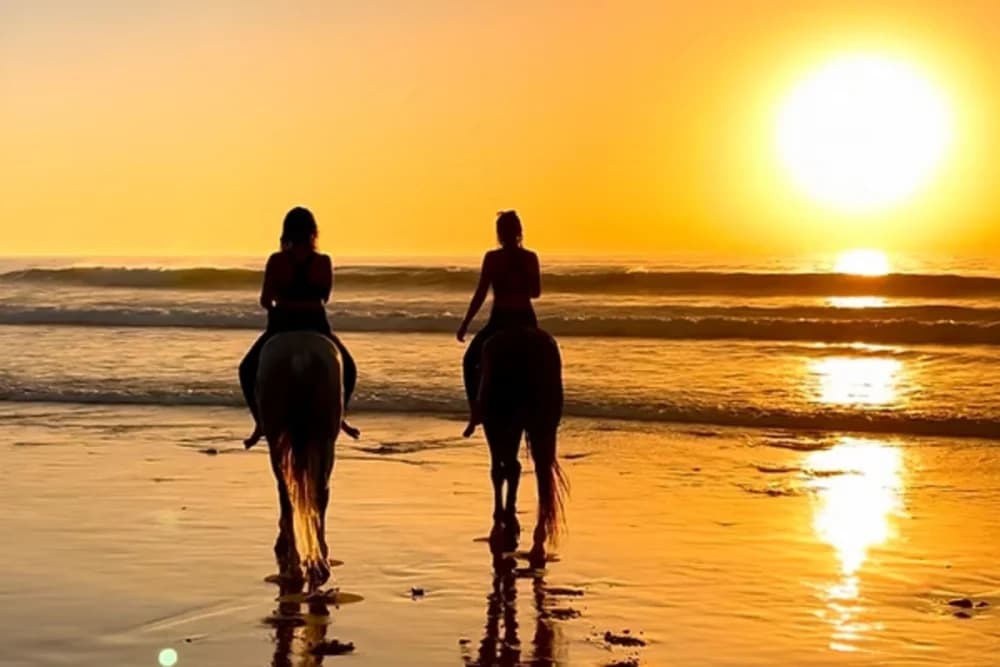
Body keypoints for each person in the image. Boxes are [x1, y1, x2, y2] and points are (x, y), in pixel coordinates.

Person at [239, 206, 359, 448]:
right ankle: (340, 417)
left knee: (246, 370)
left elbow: (265, 300)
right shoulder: (323, 262)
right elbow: (325, 297)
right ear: (313, 232)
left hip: (282, 324)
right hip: (316, 324)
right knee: (349, 369)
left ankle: (260, 423)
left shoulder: (277, 260)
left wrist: (279, 306)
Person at [457, 210, 541, 437]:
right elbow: (536, 293)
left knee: (470, 361)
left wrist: (465, 324)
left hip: (500, 320)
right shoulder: (530, 257)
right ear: (519, 232)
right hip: (526, 318)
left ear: (500, 234)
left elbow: (480, 294)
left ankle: (475, 411)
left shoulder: (492, 258)